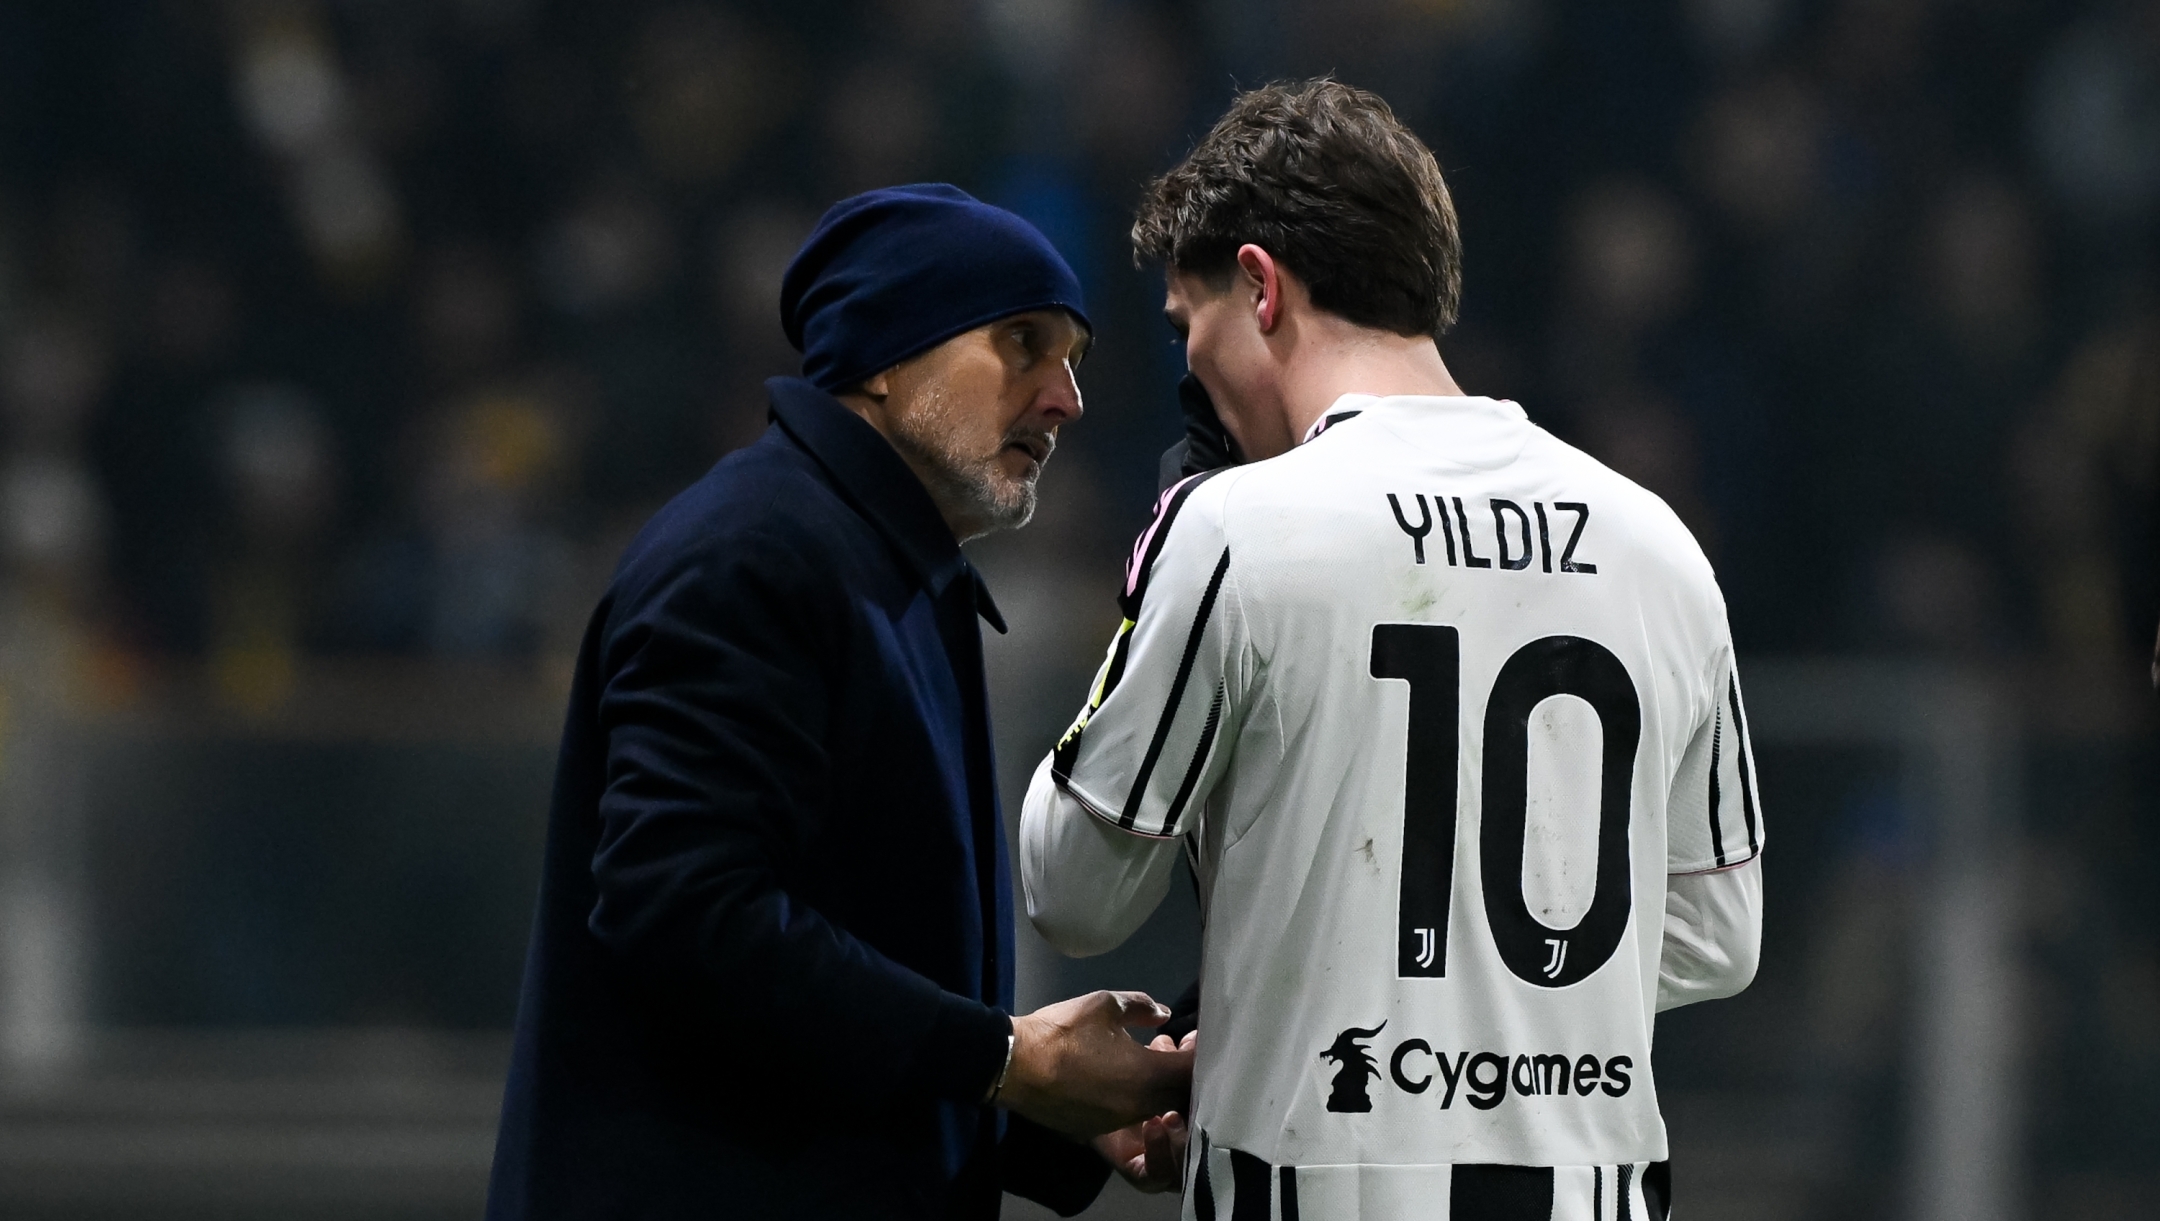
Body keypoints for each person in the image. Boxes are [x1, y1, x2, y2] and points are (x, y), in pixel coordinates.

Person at [1020, 81, 1763, 1220]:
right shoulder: (1656, 544)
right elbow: (1718, 936)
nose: (1193, 374)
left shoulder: (1234, 529)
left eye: (1190, 326)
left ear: (1259, 287)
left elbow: (1073, 891)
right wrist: (1462, 1000)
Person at [486, 184, 1192, 1221]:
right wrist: (1002, 1056)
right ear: (885, 352)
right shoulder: (750, 555)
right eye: (1024, 343)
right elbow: (683, 912)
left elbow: (835, 1000)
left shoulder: (898, 574)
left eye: (1075, 360)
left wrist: (1053, 1106)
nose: (1065, 400)